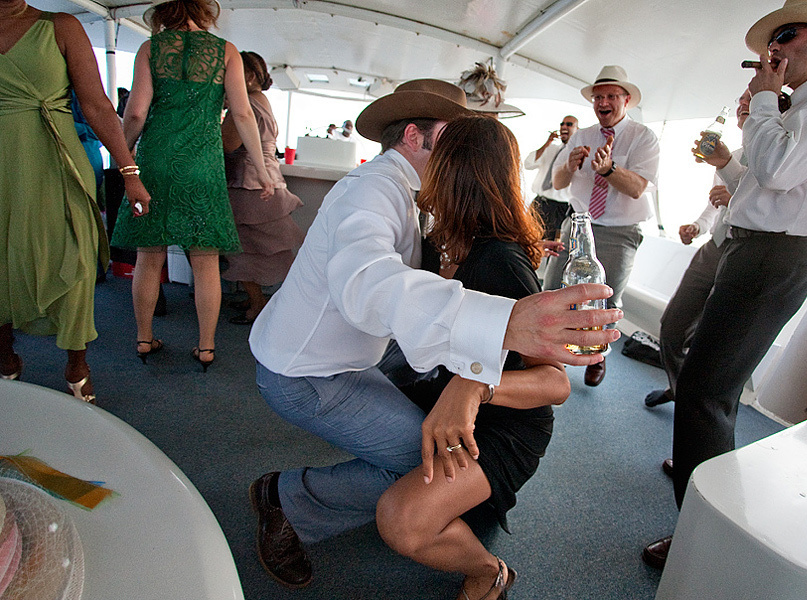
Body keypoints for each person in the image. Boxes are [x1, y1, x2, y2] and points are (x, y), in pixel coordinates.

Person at [246, 78, 620, 589]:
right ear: (417, 137)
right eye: (449, 136)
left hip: (437, 392)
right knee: (416, 455)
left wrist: (474, 381)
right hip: (311, 367)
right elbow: (367, 281)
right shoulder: (379, 192)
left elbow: (553, 380)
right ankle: (287, 501)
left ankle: (438, 507)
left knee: (423, 455)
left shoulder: (452, 229)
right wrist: (501, 326)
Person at [642, 0, 807, 569]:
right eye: (771, 41)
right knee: (713, 387)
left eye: (786, 35)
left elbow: (778, 171)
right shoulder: (795, 110)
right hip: (747, 251)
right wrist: (733, 151)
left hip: (774, 256)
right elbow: (758, 186)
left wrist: (764, 100)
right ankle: (707, 483)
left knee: (704, 390)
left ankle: (702, 537)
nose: (774, 48)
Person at [375, 115, 569, 600]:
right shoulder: (438, 245)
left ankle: (489, 573)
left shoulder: (498, 259)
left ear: (452, 171)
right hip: (443, 398)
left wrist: (476, 385)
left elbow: (556, 383)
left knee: (401, 521)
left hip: (505, 426)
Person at [0, 1, 151, 402]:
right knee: (2, 261)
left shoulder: (61, 26)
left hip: (58, 161)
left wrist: (129, 172)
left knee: (76, 257)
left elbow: (97, 105)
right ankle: (5, 354)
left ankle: (77, 361)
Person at [112, 0, 274, 371]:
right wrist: (263, 169)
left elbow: (135, 112)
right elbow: (242, 113)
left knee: (149, 256)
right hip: (203, 162)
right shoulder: (226, 52)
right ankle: (205, 347)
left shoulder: (150, 49)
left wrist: (124, 156)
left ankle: (144, 338)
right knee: (204, 260)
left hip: (155, 160)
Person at [546, 65, 660, 387]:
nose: (603, 102)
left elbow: (637, 188)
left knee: (607, 297)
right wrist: (569, 166)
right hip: (578, 224)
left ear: (626, 100)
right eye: (598, 97)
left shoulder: (643, 138)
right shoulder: (582, 136)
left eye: (611, 96)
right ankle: (548, 354)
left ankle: (597, 356)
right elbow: (558, 182)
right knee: (554, 289)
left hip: (620, 231)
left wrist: (609, 169)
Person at [643, 90, 752, 410]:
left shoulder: (777, 158)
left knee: (715, 342)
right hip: (714, 249)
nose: (743, 104)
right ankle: (679, 387)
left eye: (751, 98)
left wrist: (735, 199)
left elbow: (775, 207)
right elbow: (714, 207)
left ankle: (693, 402)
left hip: (747, 255)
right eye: (741, 100)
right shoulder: (731, 155)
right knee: (672, 328)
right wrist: (697, 227)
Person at [221, 51, 303, 325]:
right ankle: (255, 298)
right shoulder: (261, 99)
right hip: (267, 178)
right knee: (257, 247)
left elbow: (228, 143)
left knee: (243, 249)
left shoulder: (244, 103)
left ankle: (256, 305)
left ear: (247, 75)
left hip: (248, 184)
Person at [524, 117, 578, 241]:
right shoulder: (550, 149)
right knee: (527, 237)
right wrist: (547, 143)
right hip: (540, 202)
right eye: (562, 124)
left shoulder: (577, 154)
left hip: (559, 207)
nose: (564, 127)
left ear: (577, 129)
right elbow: (528, 164)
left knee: (550, 243)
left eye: (569, 124)